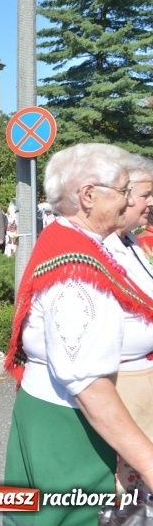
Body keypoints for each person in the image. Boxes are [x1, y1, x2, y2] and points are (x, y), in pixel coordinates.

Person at [3, 143, 153, 525]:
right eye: (122, 190)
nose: (128, 200)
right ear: (88, 195)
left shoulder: (76, 241)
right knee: (70, 516)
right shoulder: (77, 267)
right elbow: (85, 379)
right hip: (69, 423)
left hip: (54, 413)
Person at [100, 155, 153, 495]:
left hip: (141, 374)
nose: (152, 203)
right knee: (127, 484)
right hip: (122, 379)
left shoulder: (130, 240)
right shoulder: (101, 245)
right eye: (147, 195)